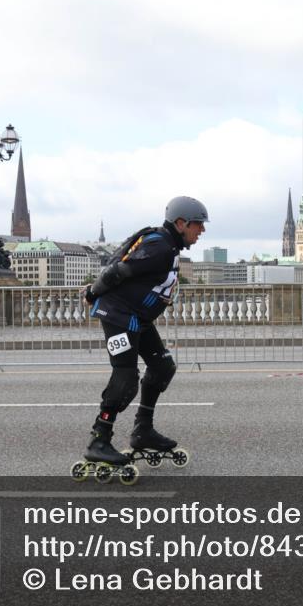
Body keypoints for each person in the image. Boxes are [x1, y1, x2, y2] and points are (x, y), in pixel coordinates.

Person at [80, 196, 208, 466]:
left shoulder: (170, 246)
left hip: (137, 318)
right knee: (125, 378)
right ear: (181, 223)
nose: (202, 231)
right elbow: (120, 270)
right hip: (118, 315)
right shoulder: (160, 246)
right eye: (198, 225)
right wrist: (93, 292)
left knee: (162, 367)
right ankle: (99, 439)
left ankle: (143, 431)